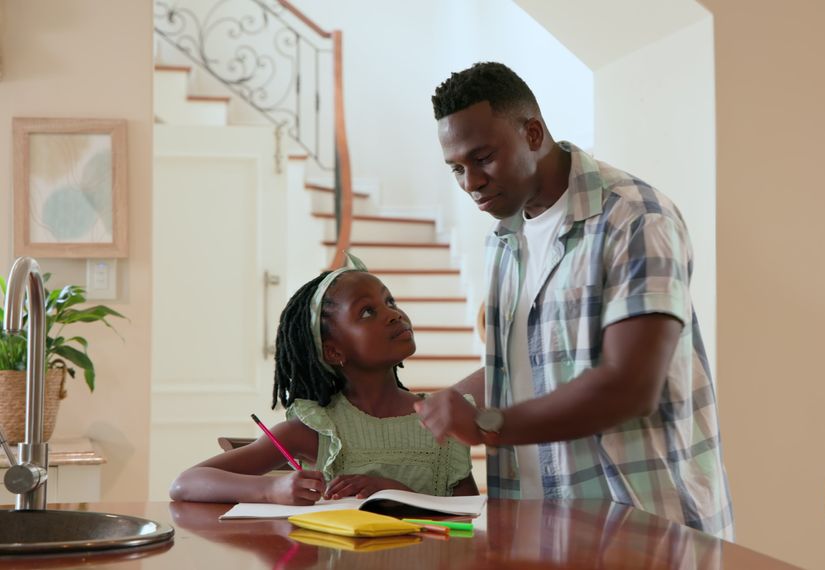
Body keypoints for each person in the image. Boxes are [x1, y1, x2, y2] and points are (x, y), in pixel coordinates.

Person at [414, 62, 733, 538]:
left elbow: (629, 386)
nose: (471, 182)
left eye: (482, 158)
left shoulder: (634, 218)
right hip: (541, 526)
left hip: (644, 526)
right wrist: (443, 403)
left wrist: (488, 423)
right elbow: (525, 364)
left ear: (534, 133)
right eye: (456, 168)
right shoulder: (504, 240)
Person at [170, 255, 479, 504]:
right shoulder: (316, 429)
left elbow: (469, 518)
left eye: (390, 302)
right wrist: (270, 491)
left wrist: (393, 493)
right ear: (333, 352)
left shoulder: (444, 417)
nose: (393, 314)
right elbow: (186, 483)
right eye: (368, 312)